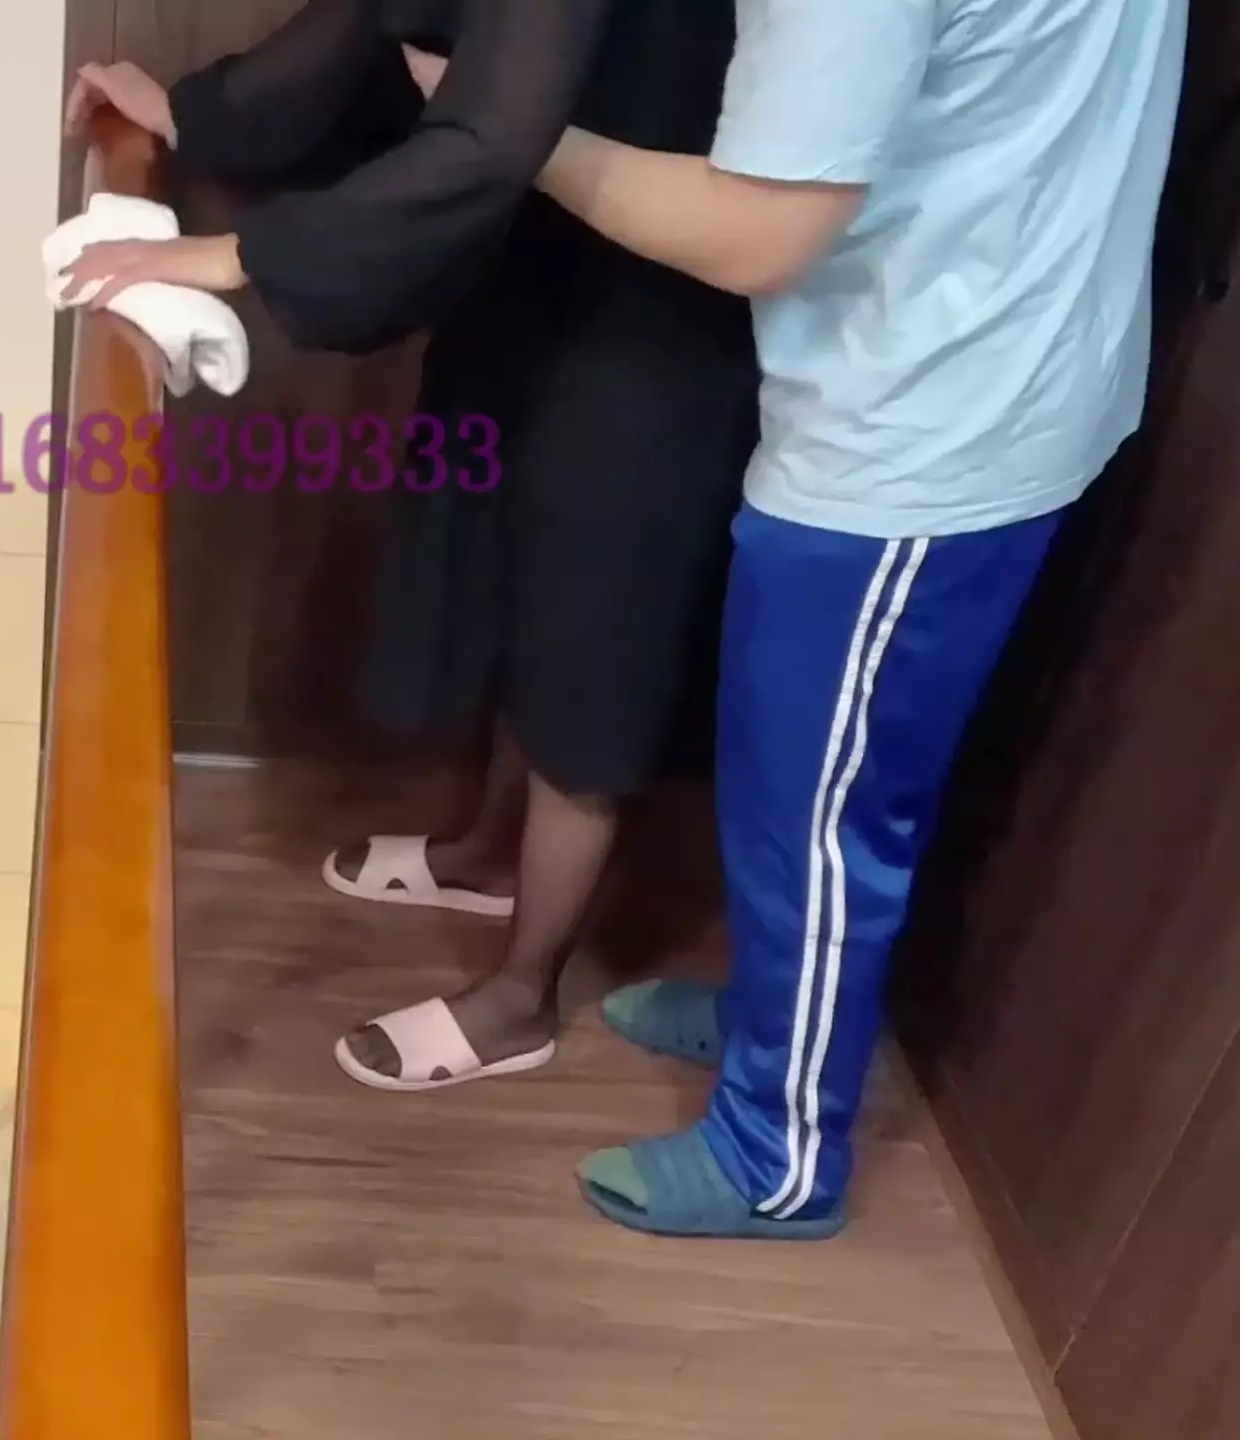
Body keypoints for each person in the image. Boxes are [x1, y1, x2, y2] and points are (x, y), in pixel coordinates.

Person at [406, 0, 1187, 1237]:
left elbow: (756, 234)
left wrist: (502, 129)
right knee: (800, 784)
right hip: (1012, 349)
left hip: (922, 432)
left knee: (817, 824)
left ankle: (776, 1153)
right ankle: (771, 1011)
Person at [62, 0, 758, 1092]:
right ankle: (487, 856)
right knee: (513, 572)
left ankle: (521, 997)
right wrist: (196, 112)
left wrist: (241, 254)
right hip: (538, 262)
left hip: (660, 308)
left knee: (589, 638)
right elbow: (380, 16)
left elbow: (492, 135)